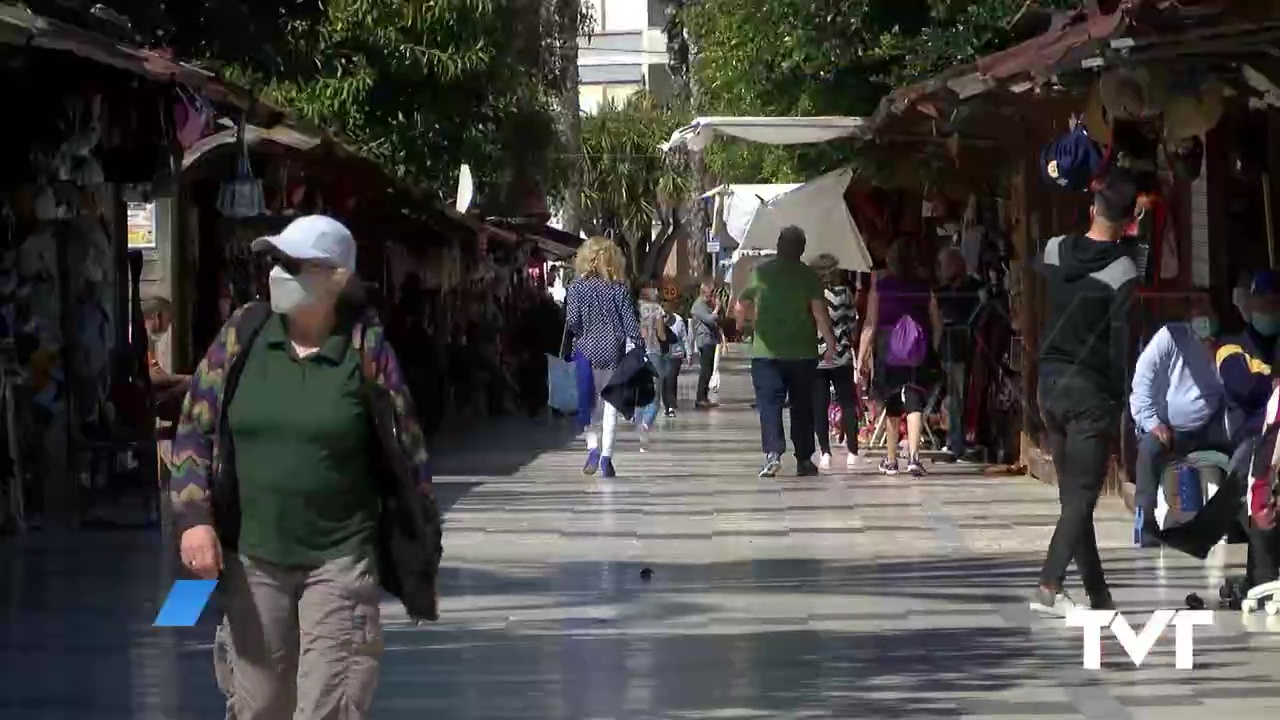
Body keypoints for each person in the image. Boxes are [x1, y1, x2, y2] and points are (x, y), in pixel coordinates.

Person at [170, 215, 441, 720]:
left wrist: (421, 554)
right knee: (261, 705)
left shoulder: (366, 349)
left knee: (327, 707)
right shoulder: (242, 335)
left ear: (337, 278)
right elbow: (193, 430)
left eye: (295, 265)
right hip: (253, 558)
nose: (279, 273)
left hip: (340, 559)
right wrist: (194, 518)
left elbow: (410, 455)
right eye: (277, 262)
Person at [1031, 172, 1140, 616]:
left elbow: (1040, 272)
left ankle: (1098, 595)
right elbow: (1120, 343)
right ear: (1132, 219)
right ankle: (1048, 586)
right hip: (1090, 391)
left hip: (1049, 384)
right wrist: (1120, 397)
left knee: (1073, 498)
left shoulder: (1055, 249)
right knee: (1080, 498)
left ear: (1092, 209)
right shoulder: (1124, 271)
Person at [735, 226, 838, 478]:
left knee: (769, 405)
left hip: (765, 353)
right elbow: (819, 313)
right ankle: (804, 459)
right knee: (802, 407)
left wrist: (747, 325)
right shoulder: (809, 277)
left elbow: (740, 306)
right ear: (802, 249)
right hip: (802, 353)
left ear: (779, 245)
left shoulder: (760, 273)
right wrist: (830, 344)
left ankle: (773, 454)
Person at [1128, 294, 1227, 547]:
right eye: (1198, 311)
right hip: (1168, 428)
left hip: (1210, 426)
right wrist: (1151, 421)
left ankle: (1235, 521)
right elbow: (1143, 378)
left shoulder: (1225, 347)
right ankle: (1146, 522)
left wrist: (1216, 357)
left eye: (1208, 312)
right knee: (1148, 450)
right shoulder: (1170, 337)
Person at [856, 240, 942, 477]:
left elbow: (871, 323)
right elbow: (936, 321)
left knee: (892, 401)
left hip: (887, 348)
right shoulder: (924, 287)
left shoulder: (882, 287)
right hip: (917, 348)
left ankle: (891, 459)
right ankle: (914, 457)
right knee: (914, 399)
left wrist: (861, 356)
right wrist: (933, 347)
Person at [565, 236, 644, 478]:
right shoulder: (618, 289)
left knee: (588, 404)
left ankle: (592, 449)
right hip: (614, 351)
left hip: (585, 351)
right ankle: (607, 458)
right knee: (611, 406)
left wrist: (585, 334)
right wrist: (639, 346)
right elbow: (630, 323)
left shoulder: (576, 288)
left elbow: (572, 321)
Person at [808, 254, 860, 471]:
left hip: (817, 356)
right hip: (841, 355)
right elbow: (852, 323)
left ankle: (825, 452)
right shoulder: (844, 294)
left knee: (819, 405)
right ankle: (852, 451)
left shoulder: (810, 295)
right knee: (847, 402)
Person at [935, 247, 983, 463]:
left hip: (968, 349)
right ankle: (953, 440)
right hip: (945, 350)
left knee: (961, 397)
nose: (942, 270)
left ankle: (961, 441)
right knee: (951, 397)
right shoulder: (942, 291)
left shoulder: (975, 287)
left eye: (945, 265)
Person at [142, 296, 191, 424]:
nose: (168, 326)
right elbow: (150, 377)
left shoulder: (147, 340)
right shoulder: (138, 337)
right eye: (168, 320)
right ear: (157, 316)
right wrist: (185, 379)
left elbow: (157, 372)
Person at [635, 283, 668, 448]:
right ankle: (646, 424)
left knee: (640, 393)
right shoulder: (657, 309)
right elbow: (661, 335)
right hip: (654, 352)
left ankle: (639, 425)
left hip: (638, 353)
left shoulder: (636, 308)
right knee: (655, 396)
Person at [691, 280, 722, 409]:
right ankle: (700, 398)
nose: (711, 297)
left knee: (709, 369)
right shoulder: (698, 305)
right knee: (705, 370)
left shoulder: (707, 304)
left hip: (711, 339)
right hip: (704, 340)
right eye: (710, 294)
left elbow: (717, 320)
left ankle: (704, 397)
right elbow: (709, 319)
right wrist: (716, 309)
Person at [662, 299, 688, 417]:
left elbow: (684, 337)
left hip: (676, 355)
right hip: (662, 355)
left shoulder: (678, 321)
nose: (665, 318)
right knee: (663, 380)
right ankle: (666, 405)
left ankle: (671, 405)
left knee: (671, 378)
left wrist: (689, 353)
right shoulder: (657, 320)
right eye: (663, 315)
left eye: (667, 315)